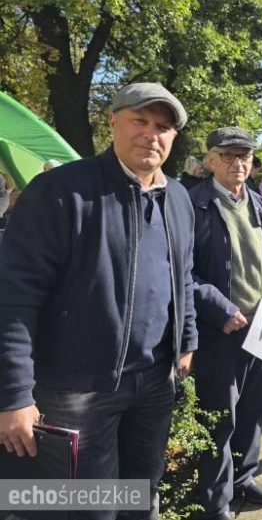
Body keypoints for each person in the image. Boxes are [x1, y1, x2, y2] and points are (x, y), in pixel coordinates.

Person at [0, 82, 197, 518]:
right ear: (112, 121)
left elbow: (182, 274)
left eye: (163, 127)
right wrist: (13, 394)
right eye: (139, 120)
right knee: (88, 509)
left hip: (154, 382)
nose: (151, 134)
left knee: (140, 495)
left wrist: (186, 339)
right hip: (77, 389)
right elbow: (14, 297)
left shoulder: (178, 198)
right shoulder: (61, 192)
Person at [189, 127, 262, 519]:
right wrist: (218, 308)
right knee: (219, 414)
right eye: (228, 155)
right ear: (210, 160)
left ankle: (243, 479)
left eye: (245, 156)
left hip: (260, 324)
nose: (238, 163)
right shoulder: (193, 206)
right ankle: (215, 501)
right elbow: (180, 271)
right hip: (219, 329)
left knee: (253, 406)